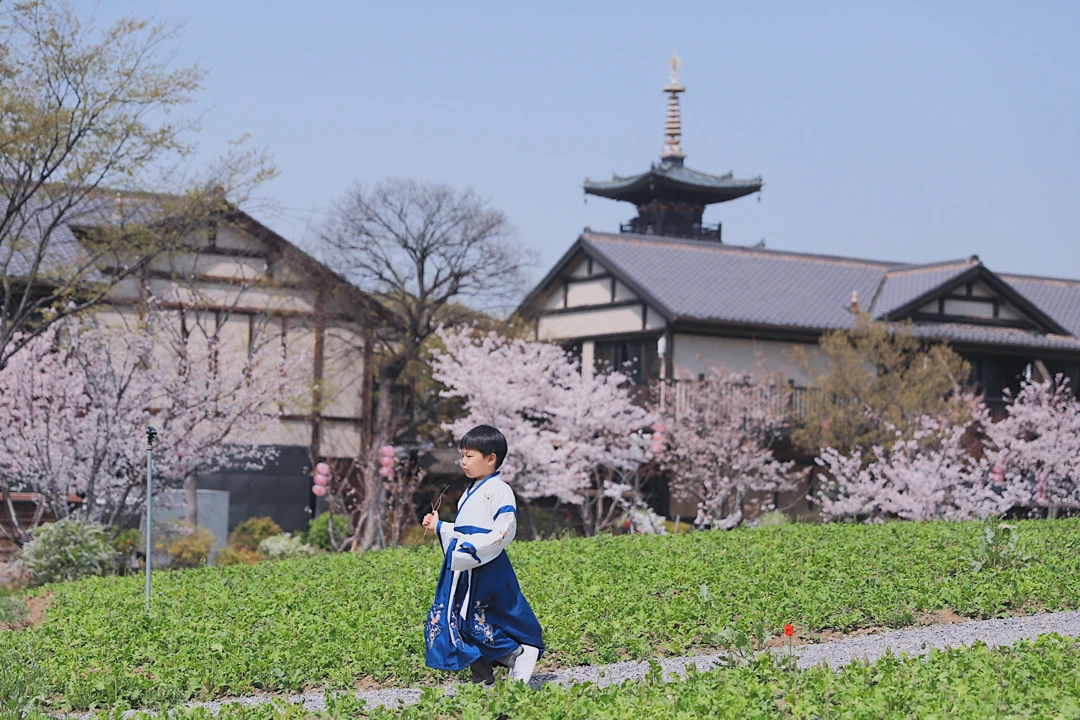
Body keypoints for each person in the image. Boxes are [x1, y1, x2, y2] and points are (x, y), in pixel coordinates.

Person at [422, 424, 544, 686]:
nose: (463, 462)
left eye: (469, 456)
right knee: (454, 621)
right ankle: (483, 678)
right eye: (462, 455)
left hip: (484, 566)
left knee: (471, 621)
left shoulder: (500, 490)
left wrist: (472, 549)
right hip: (465, 568)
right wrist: (440, 527)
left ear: (491, 459)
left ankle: (516, 654)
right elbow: (468, 530)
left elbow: (503, 530)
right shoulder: (469, 491)